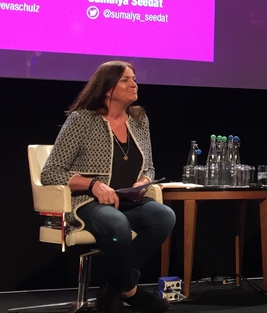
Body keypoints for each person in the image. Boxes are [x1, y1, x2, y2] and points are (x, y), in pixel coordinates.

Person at [41, 61, 175, 313]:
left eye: (134, 78)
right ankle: (131, 292)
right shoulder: (83, 120)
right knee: (116, 224)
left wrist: (144, 182)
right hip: (87, 203)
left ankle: (113, 288)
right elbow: (51, 172)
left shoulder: (139, 119)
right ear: (106, 88)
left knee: (164, 215)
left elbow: (149, 167)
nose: (134, 84)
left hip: (128, 201)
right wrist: (93, 185)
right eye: (125, 80)